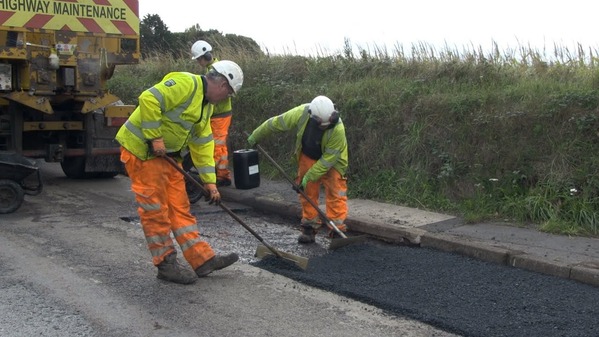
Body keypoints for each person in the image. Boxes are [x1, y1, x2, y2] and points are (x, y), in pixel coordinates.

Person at [115, 60, 244, 285]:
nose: (227, 98)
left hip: (168, 157)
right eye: (228, 94)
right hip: (142, 152)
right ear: (222, 85)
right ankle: (166, 265)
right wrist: (155, 137)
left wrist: (210, 183)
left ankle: (202, 260)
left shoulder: (206, 107)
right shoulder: (186, 84)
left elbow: (203, 145)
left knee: (180, 208)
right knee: (156, 210)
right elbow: (149, 98)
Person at [247, 95, 349, 244]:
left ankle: (337, 230)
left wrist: (308, 176)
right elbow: (275, 123)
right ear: (313, 117)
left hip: (333, 160)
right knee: (307, 191)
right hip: (308, 154)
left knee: (336, 191)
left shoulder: (338, 128)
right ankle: (309, 227)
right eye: (321, 125)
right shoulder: (301, 113)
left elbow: (327, 161)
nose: (325, 127)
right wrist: (256, 135)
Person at [190, 40, 234, 187]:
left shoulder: (217, 70)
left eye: (198, 59)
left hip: (220, 115)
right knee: (218, 146)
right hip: (217, 114)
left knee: (217, 146)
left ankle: (218, 176)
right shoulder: (213, 69)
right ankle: (220, 175)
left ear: (205, 56)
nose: (198, 62)